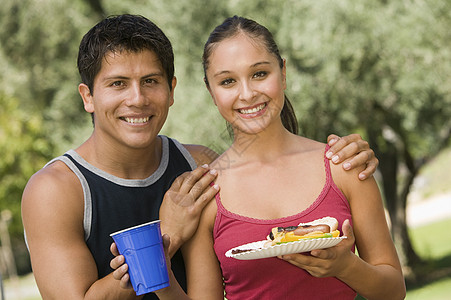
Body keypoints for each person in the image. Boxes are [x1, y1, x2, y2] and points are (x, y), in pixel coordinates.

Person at [21, 14, 378, 300]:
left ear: (172, 90)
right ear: (87, 97)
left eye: (150, 81)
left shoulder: (200, 167)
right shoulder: (54, 191)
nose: (138, 99)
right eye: (117, 84)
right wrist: (166, 240)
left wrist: (349, 154)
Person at [112, 16, 405, 299]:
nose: (248, 93)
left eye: (260, 74)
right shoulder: (206, 194)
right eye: (228, 81)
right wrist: (158, 274)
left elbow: (393, 291)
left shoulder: (344, 166)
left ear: (283, 73)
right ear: (211, 92)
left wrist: (346, 266)